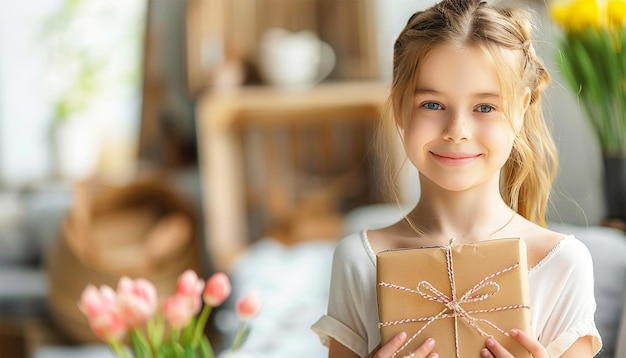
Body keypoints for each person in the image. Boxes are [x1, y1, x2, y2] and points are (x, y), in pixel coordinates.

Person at [311, 0, 603, 357]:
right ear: (400, 106)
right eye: (432, 104)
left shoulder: (561, 264)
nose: (457, 131)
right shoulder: (360, 260)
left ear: (521, 109)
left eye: (485, 107)